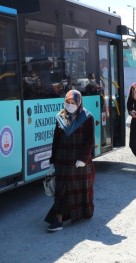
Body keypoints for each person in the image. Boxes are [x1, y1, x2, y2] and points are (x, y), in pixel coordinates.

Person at [44, 90, 95, 232]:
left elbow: (89, 140)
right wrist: (52, 161)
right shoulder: (60, 117)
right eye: (68, 102)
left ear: (79, 103)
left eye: (73, 103)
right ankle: (58, 219)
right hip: (63, 159)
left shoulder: (87, 117)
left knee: (81, 188)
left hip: (79, 161)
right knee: (61, 189)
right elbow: (56, 140)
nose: (70, 105)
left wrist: (83, 158)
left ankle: (86, 211)